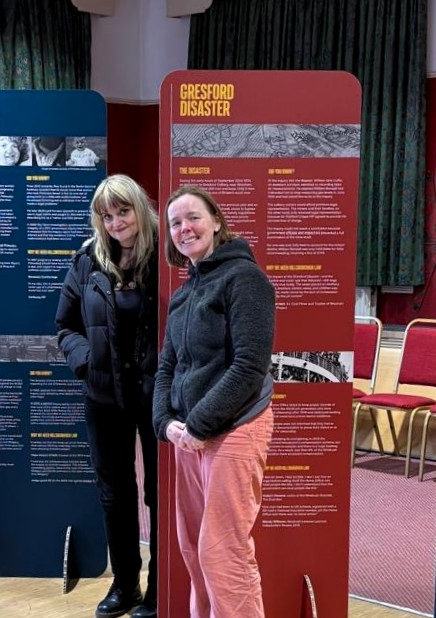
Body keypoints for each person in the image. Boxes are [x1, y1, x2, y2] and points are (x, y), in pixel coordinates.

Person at [153, 186, 275, 618]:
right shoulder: (185, 293)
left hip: (235, 429)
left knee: (223, 552)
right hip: (189, 435)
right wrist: (165, 421)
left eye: (194, 218)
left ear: (217, 221)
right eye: (175, 223)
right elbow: (168, 365)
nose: (184, 228)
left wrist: (198, 425)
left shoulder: (246, 279)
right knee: (193, 547)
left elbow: (249, 366)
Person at [56, 174, 160, 618]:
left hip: (159, 397)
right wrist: (86, 363)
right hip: (104, 395)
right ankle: (125, 585)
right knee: (114, 493)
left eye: (123, 210)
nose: (116, 222)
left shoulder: (168, 255)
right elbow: (65, 325)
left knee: (160, 494)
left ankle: (160, 588)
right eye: (106, 215)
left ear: (139, 207)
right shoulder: (87, 260)